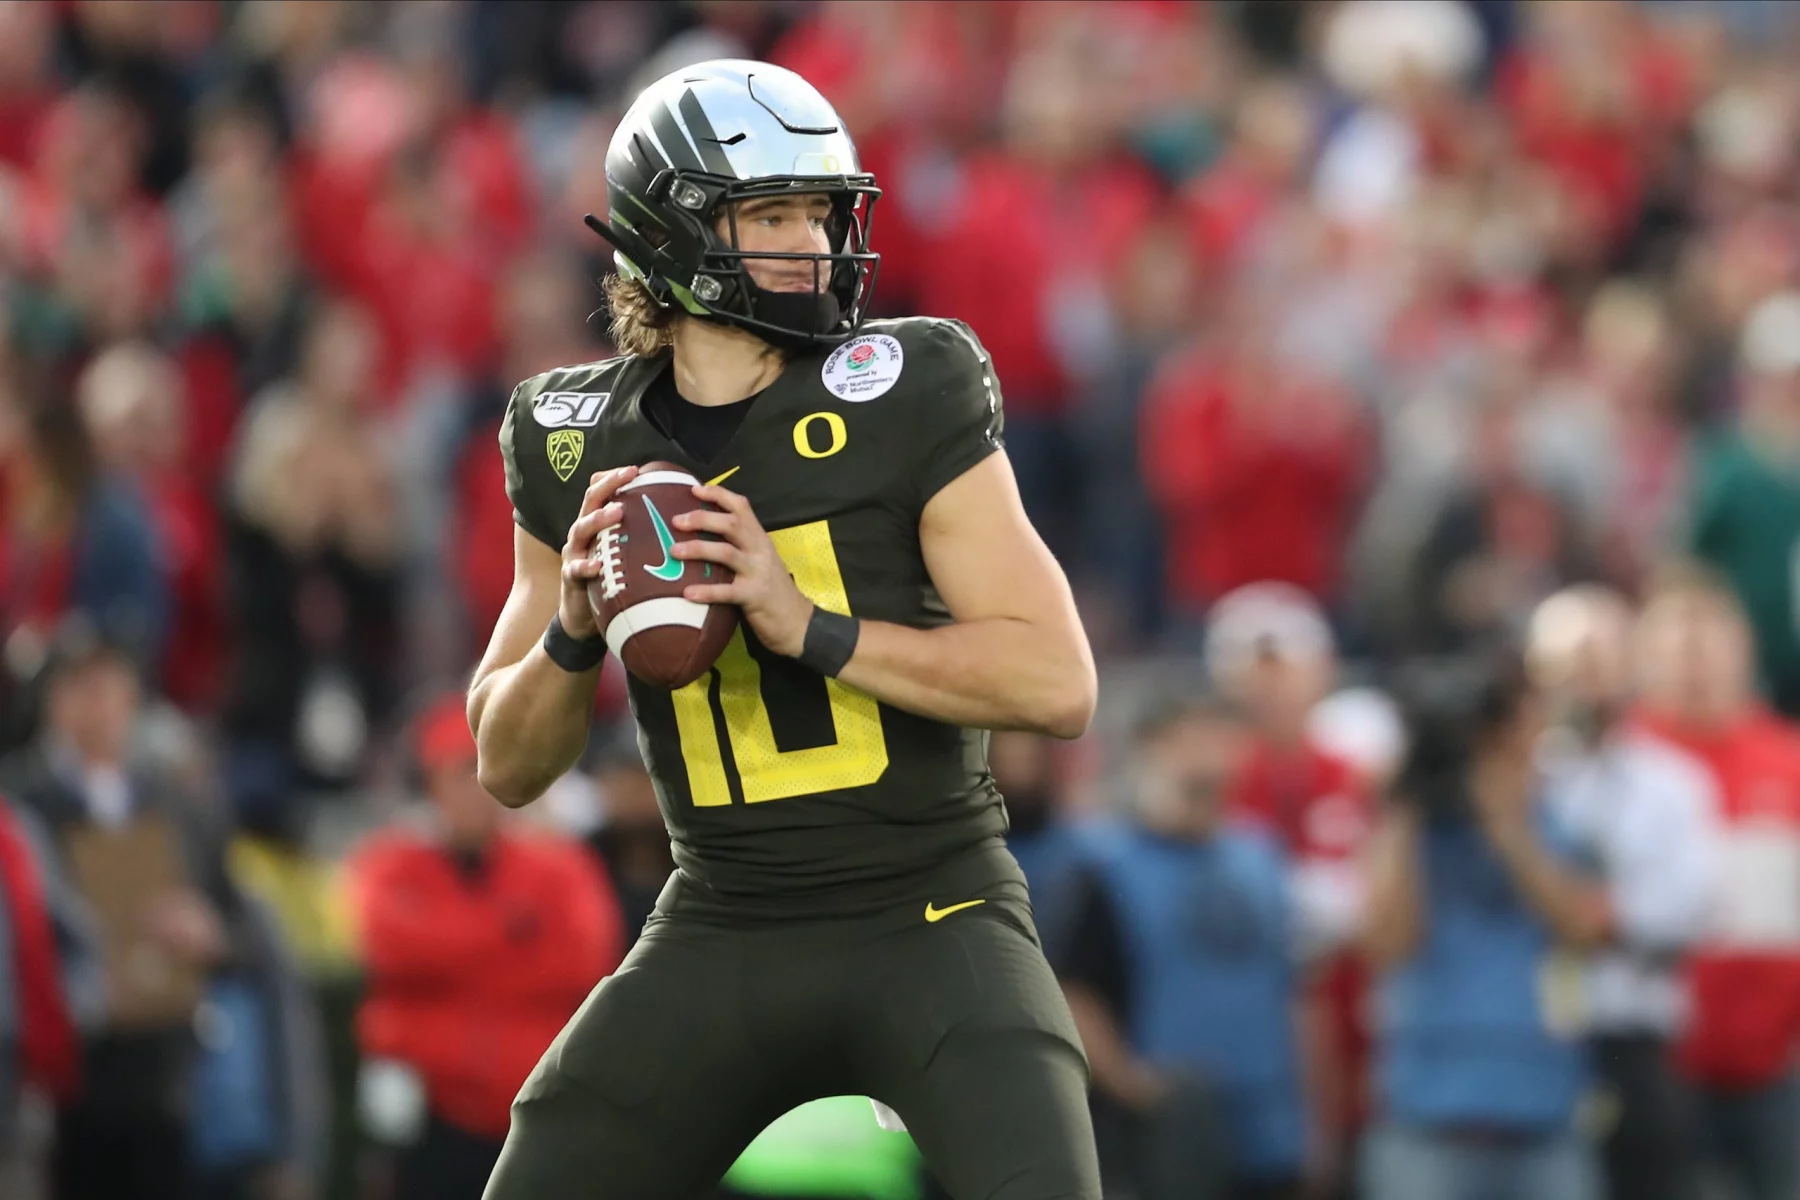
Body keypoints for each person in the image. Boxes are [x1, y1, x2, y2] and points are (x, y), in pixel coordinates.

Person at [469, 60, 1100, 1200]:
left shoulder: (905, 387)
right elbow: (505, 768)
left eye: (818, 210)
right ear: (669, 234)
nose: (812, 243)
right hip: (724, 916)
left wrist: (806, 623)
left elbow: (1058, 681)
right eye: (771, 214)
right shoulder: (572, 439)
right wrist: (570, 629)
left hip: (933, 903)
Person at [0, 622, 241, 1200]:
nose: (97, 705)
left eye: (109, 686)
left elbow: (238, 923)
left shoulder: (177, 803)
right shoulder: (22, 802)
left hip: (165, 1072)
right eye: (80, 687)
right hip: (64, 1079)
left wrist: (211, 934)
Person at [347, 694, 622, 1200]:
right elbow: (388, 947)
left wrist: (449, 956)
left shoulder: (558, 866)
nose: (476, 790)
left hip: (533, 1109)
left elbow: (583, 962)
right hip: (430, 1116)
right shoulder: (389, 865)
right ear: (431, 784)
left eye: (485, 772)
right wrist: (510, 932)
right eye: (459, 773)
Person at [1361, 655, 1603, 1200]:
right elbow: (1388, 943)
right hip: (1430, 1112)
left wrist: (1506, 823)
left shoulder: (1553, 824)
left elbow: (1582, 932)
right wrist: (1405, 804)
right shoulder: (1409, 833)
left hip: (1544, 1109)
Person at [1057, 696, 1309, 1200]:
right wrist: (1129, 1083)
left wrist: (1313, 1111)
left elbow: (1296, 987)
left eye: (1218, 737)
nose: (1206, 756)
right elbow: (1074, 990)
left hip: (1268, 1114)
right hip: (1171, 1120)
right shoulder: (1108, 865)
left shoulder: (1261, 854)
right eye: (1186, 739)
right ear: (1148, 751)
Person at [1526, 586, 1718, 1200]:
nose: (1588, 684)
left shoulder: (1671, 782)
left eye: (1602, 663)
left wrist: (1581, 914)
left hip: (1633, 1031)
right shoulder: (1522, 780)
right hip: (1534, 1038)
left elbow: (1686, 908)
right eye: (1570, 666)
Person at [1630, 563, 1800, 1200]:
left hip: (1777, 1072)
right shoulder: (1624, 768)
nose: (1694, 661)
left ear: (1743, 647)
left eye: (1708, 639)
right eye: (1677, 643)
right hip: (1660, 1066)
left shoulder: (1788, 761)